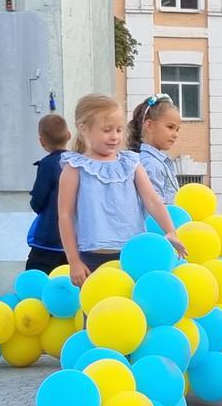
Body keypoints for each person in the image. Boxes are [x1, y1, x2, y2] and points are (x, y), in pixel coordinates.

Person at [57, 93, 186, 286]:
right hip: (92, 258)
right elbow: (65, 215)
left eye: (119, 130)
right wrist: (74, 260)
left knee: (131, 312)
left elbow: (152, 200)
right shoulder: (74, 167)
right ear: (84, 129)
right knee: (97, 312)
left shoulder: (131, 162)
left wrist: (170, 230)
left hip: (133, 256)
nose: (115, 136)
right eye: (107, 130)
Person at [26, 114, 72, 273]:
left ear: (41, 141)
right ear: (69, 135)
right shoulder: (78, 162)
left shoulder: (47, 164)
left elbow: (38, 201)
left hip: (48, 240)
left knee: (36, 278)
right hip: (74, 240)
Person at [127, 94, 181, 204]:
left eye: (177, 130)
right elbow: (153, 208)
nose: (175, 135)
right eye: (170, 127)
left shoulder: (158, 161)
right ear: (149, 125)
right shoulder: (151, 164)